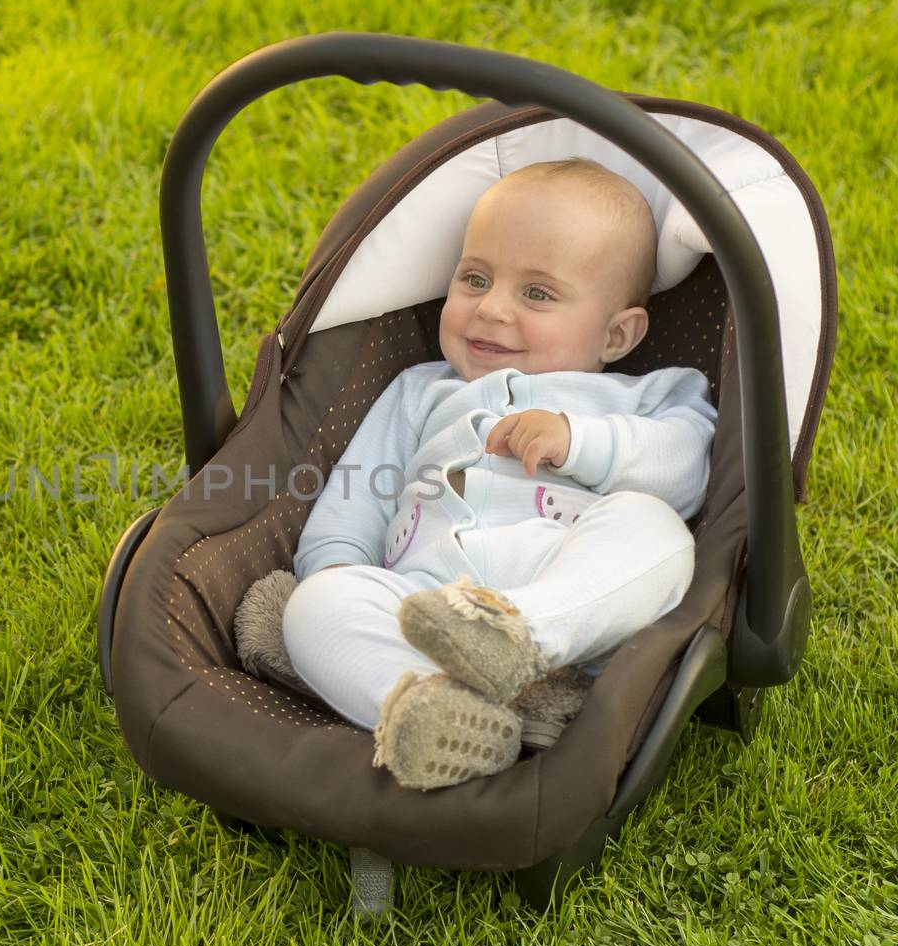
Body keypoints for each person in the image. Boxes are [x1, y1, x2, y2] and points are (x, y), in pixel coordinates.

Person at [280, 157, 717, 791]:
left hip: (571, 604)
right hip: (425, 611)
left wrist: (583, 442)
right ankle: (429, 714)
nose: (491, 310)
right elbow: (358, 492)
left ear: (617, 335)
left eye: (537, 293)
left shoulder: (644, 396)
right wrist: (338, 568)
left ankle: (521, 637)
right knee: (311, 605)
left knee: (655, 530)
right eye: (475, 279)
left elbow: (688, 472)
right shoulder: (419, 391)